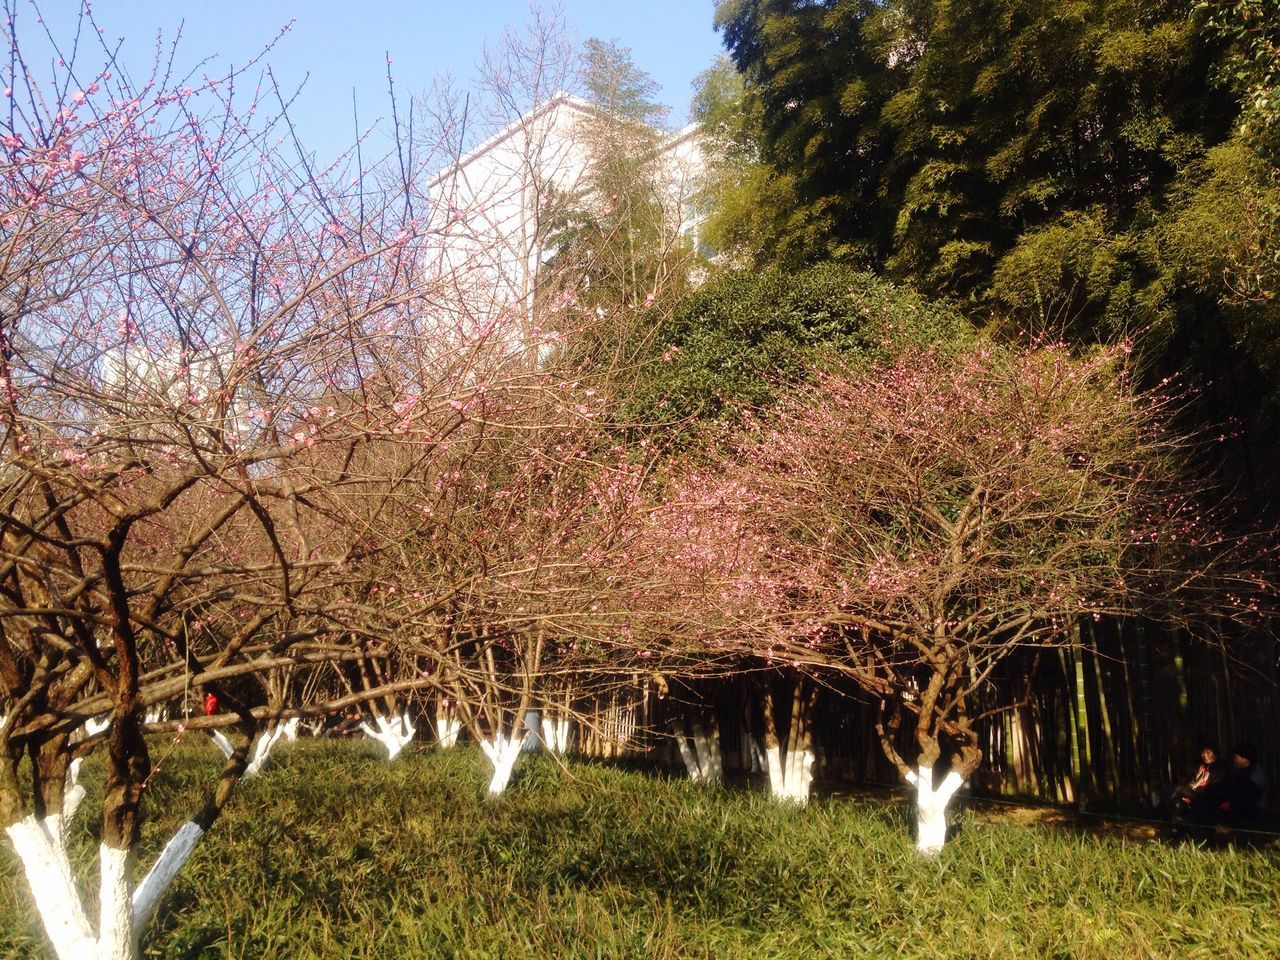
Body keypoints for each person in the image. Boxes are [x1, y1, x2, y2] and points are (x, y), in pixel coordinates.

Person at [1169, 743, 1225, 824]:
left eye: (1208, 752)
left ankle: (1163, 809)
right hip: (1196, 794)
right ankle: (1177, 829)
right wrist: (1189, 790)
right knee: (1178, 803)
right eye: (1203, 752)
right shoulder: (1201, 767)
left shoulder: (1219, 769)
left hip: (1206, 797)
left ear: (1215, 755)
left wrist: (1191, 794)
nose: (1205, 755)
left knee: (1180, 788)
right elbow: (1192, 783)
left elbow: (1215, 788)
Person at [1218, 740, 1269, 825]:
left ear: (1245, 757)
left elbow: (1250, 794)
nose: (1234, 760)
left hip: (1254, 808)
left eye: (1236, 757)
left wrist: (1230, 804)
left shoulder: (1257, 772)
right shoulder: (1240, 771)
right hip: (1241, 805)